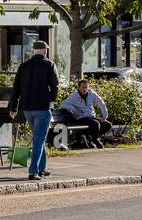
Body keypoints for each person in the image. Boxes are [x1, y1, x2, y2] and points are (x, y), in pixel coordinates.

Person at [8, 40, 60, 180]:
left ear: (33, 51)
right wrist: (52, 99)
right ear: (45, 51)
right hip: (43, 107)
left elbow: (16, 89)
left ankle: (43, 168)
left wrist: (13, 108)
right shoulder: (49, 64)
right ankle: (33, 171)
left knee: (39, 138)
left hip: (27, 109)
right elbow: (55, 86)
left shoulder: (23, 66)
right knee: (39, 139)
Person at [60, 78, 112, 148]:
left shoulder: (91, 93)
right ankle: (95, 140)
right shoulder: (74, 96)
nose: (85, 89)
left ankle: (90, 138)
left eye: (86, 87)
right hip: (81, 118)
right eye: (83, 87)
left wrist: (105, 114)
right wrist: (72, 108)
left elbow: (100, 102)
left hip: (91, 117)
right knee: (96, 124)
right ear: (79, 87)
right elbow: (63, 104)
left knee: (107, 124)